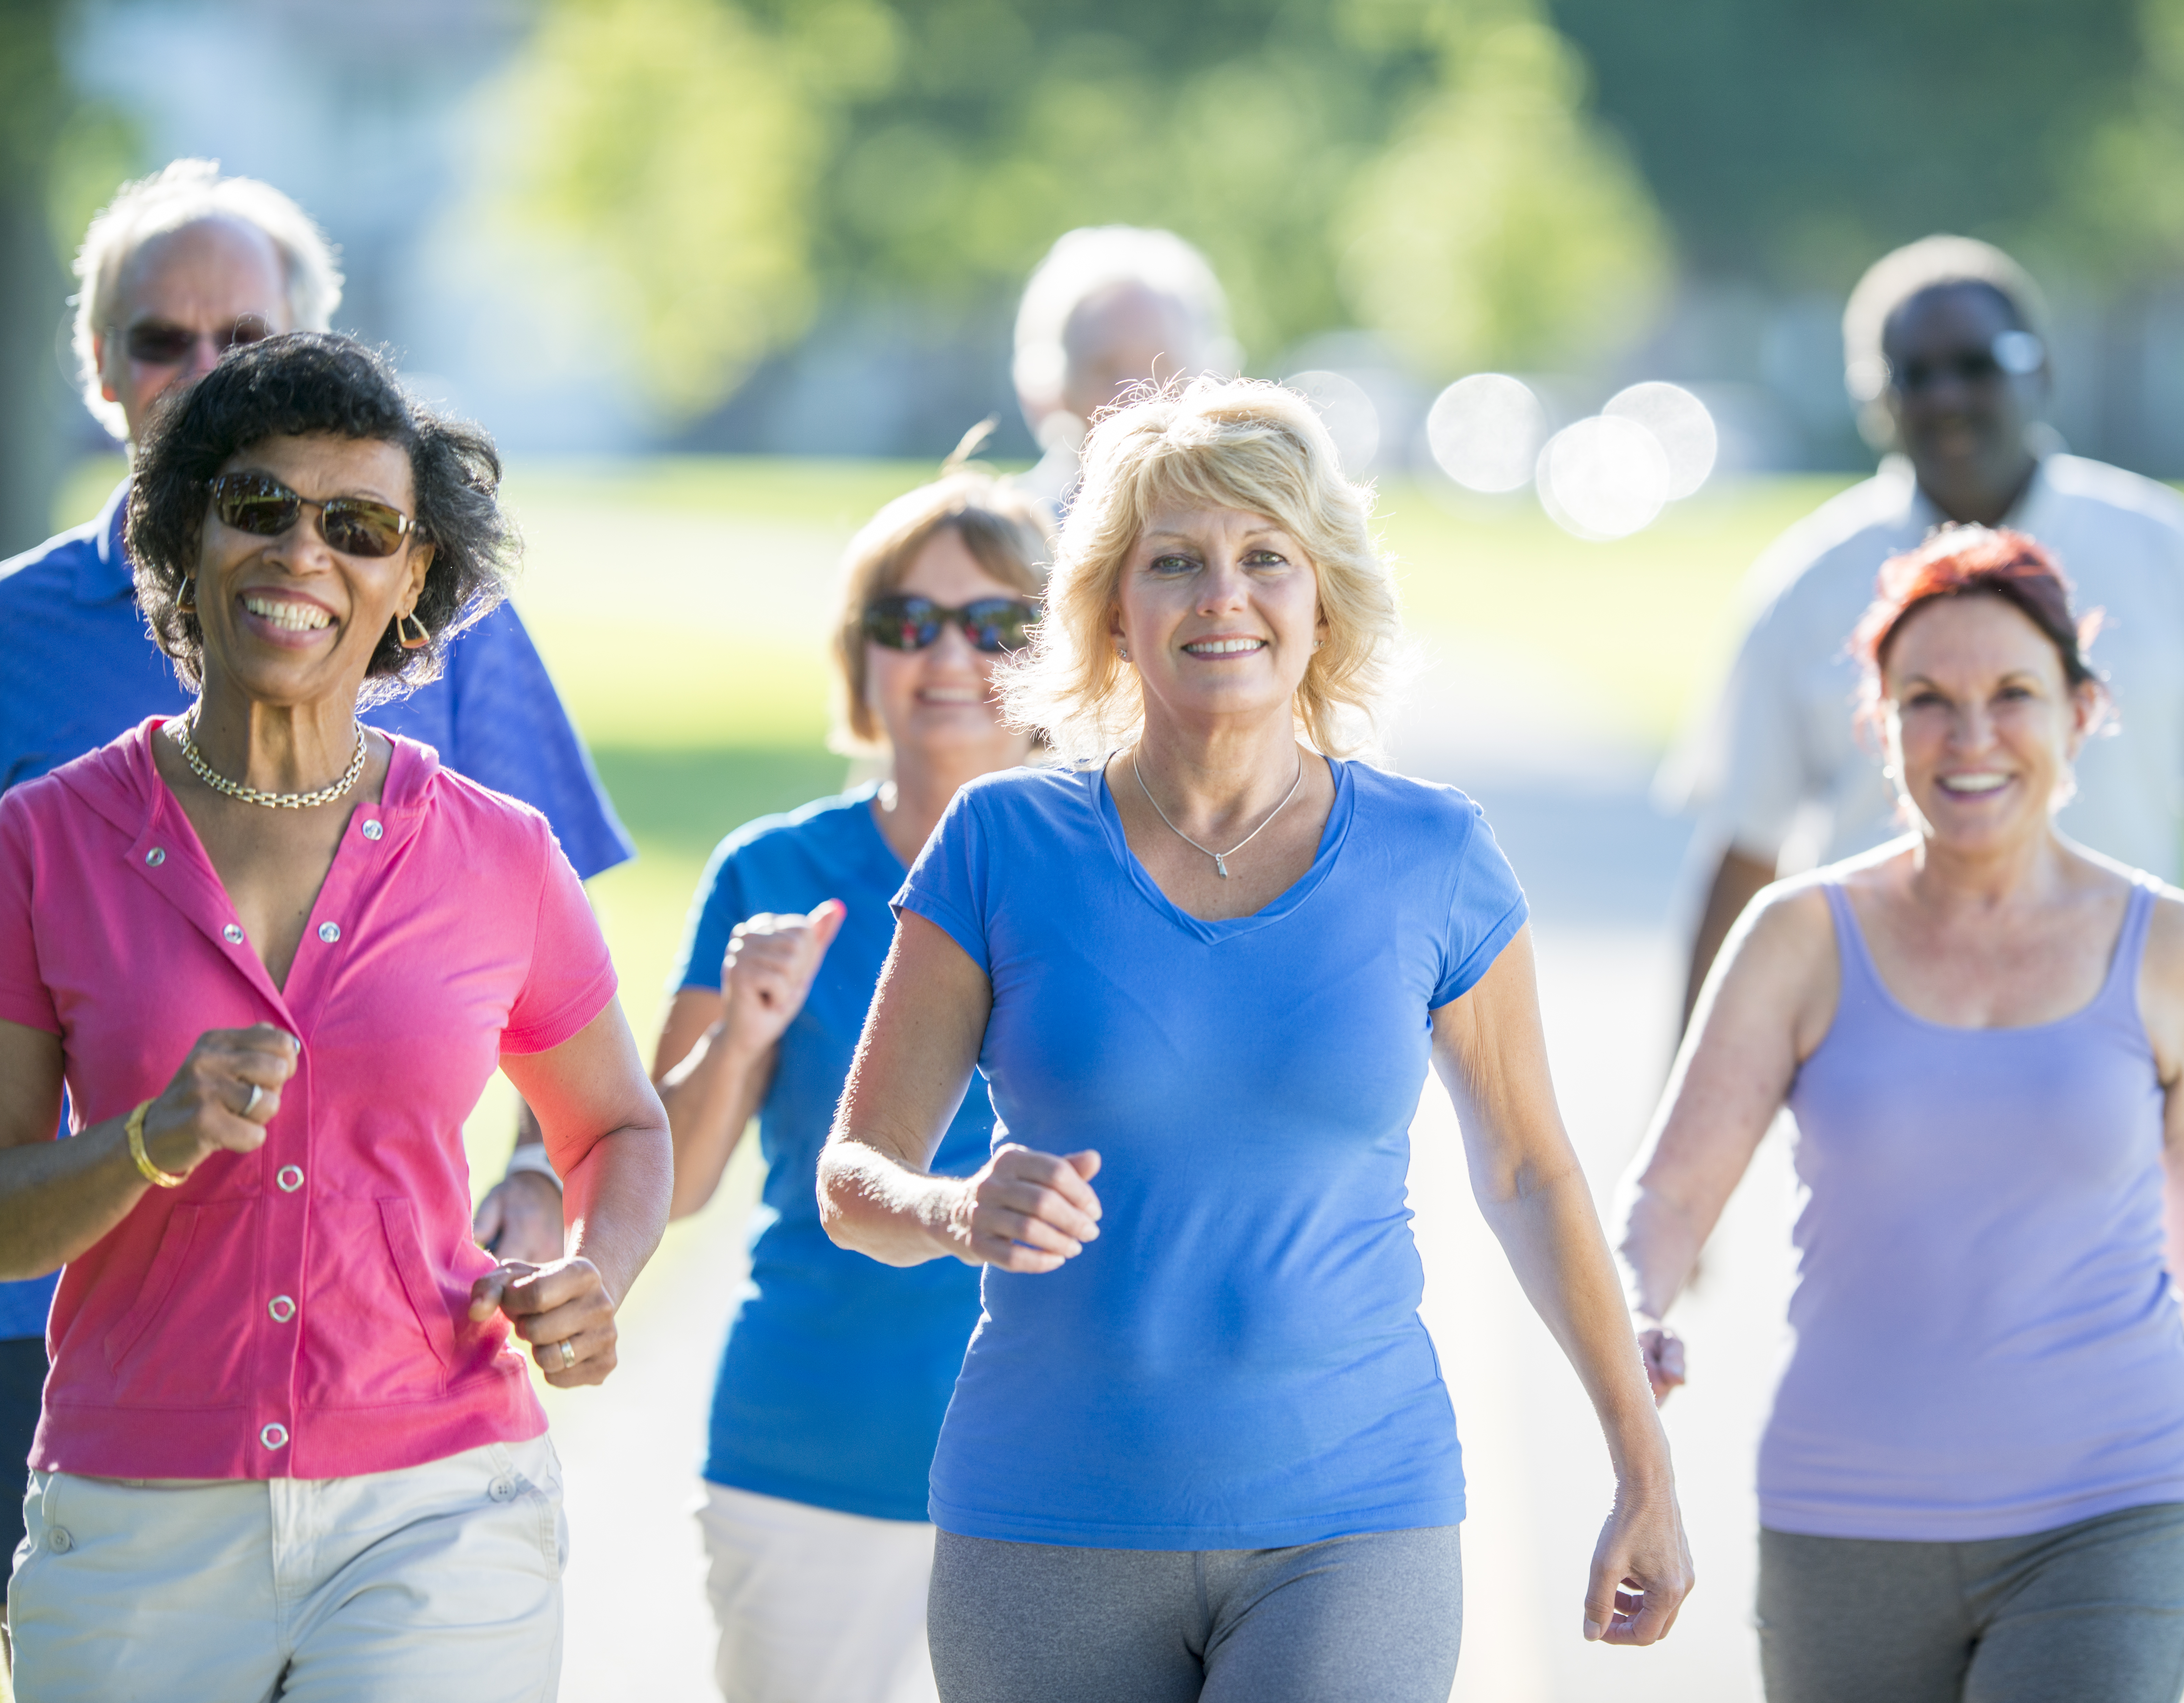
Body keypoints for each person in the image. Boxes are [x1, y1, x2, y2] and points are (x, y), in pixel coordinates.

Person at [815, 378, 1691, 1702]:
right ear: (1115, 607)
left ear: (1321, 596)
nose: (1224, 595)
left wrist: (1642, 1463)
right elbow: (853, 1179)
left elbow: (1529, 1171)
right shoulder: (1002, 845)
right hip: (1045, 1515)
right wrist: (952, 1205)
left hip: (1356, 1515)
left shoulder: (1433, 852)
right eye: (1176, 562)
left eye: (1265, 558)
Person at [0, 332, 673, 1698]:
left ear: (412, 577)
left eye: (359, 526)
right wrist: (145, 1139)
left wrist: (597, 1271)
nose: (305, 553)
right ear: (185, 533)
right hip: (137, 1518)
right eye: (261, 507)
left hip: (440, 1508)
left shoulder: (499, 852)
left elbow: (616, 1124)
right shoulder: (40, 845)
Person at [1618, 527, 2184, 1701]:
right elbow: (1673, 1187)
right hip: (1844, 1510)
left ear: (2084, 713)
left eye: (2014, 696)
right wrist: (1635, 1304)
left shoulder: (2176, 947)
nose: (1970, 735)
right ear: (1876, 727)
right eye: (1926, 700)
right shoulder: (1799, 935)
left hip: (2111, 1502)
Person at [1655, 235, 2184, 1155]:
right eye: (1912, 375)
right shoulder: (1805, 586)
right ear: (1873, 397)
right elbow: (1741, 858)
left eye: (1976, 365)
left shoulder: (2162, 550)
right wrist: (1686, 1127)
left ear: (2040, 371)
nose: (1946, 397)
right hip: (1880, 1078)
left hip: (2121, 1068)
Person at [653, 464, 1053, 1703]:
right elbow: (663, 1183)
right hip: (808, 1450)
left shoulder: (1119, 865)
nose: (946, 654)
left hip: (1064, 1470)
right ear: (862, 652)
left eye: (997, 625)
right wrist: (743, 1031)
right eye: (909, 621)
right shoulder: (771, 871)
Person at [1011, 226, 1241, 514]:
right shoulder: (1015, 536)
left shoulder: (1242, 520)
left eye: (1161, 367)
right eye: (1105, 371)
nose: (1137, 394)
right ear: (1060, 388)